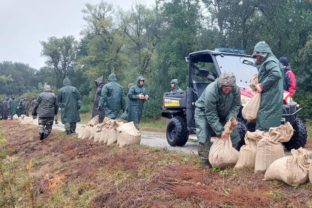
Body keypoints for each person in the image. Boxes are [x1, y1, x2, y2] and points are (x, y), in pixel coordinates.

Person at [194, 72, 241, 167]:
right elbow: (211, 113)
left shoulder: (236, 90)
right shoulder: (211, 90)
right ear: (220, 84)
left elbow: (236, 105)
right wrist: (220, 131)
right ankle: (205, 161)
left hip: (223, 113)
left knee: (233, 134)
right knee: (204, 133)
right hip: (203, 112)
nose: (227, 90)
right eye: (225, 88)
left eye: (229, 88)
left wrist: (230, 119)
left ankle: (228, 158)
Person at [252, 41, 283, 131]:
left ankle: (262, 142)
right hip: (272, 96)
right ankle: (266, 142)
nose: (256, 58)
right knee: (270, 124)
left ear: (262, 53)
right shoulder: (271, 61)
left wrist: (262, 85)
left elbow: (276, 74)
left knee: (264, 121)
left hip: (270, 98)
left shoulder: (270, 61)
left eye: (257, 55)